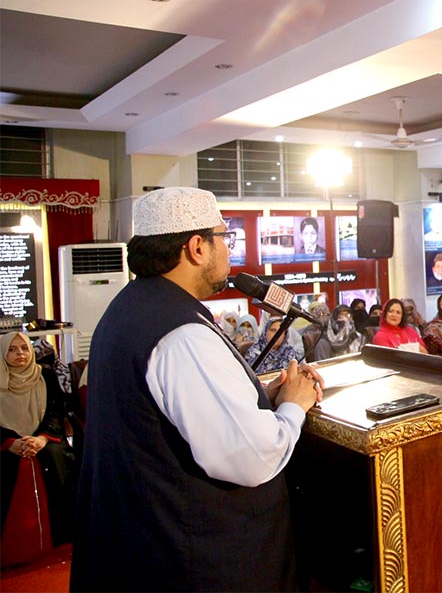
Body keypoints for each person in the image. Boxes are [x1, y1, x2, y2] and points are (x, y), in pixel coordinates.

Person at [71, 186, 322, 591]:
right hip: (190, 560)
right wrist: (292, 407)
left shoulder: (130, 308)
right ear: (197, 247)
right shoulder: (182, 333)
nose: (229, 251)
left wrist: (266, 398)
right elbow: (251, 457)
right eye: (225, 237)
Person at [1, 332, 76, 553]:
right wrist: (9, 442)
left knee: (55, 456)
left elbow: (56, 412)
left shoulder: (45, 376)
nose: (20, 354)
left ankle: (60, 540)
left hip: (42, 438)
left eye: (24, 348)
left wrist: (42, 438)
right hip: (7, 442)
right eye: (12, 350)